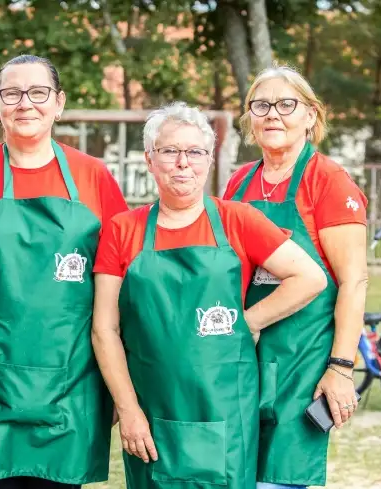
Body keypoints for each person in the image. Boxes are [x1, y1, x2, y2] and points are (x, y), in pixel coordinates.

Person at [91, 101, 329, 489]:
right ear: (150, 160)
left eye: (195, 152)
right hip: (152, 410)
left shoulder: (238, 220)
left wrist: (249, 322)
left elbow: (309, 277)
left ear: (209, 160)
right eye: (170, 151)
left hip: (226, 410)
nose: (183, 162)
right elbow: (105, 330)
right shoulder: (123, 230)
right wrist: (129, 409)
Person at [0, 54, 130, 489]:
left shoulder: (94, 177)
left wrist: (121, 387)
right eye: (11, 94)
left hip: (73, 387)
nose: (25, 104)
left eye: (38, 93)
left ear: (59, 103)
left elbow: (122, 285)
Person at [223, 64, 369, 489]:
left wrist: (341, 368)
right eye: (261, 104)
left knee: (280, 479)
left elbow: (354, 282)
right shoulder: (238, 182)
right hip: (244, 355)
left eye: (287, 104)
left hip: (303, 361)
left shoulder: (329, 182)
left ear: (311, 115)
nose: (273, 114)